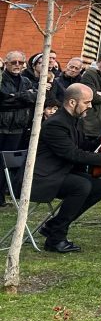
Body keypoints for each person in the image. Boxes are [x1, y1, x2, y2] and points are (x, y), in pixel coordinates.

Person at [30, 82, 101, 253]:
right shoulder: (56, 124)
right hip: (42, 178)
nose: (90, 105)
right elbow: (73, 154)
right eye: (87, 102)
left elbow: (85, 145)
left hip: (60, 173)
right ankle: (55, 238)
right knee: (81, 185)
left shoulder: (72, 120)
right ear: (72, 102)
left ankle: (53, 226)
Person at [0, 50, 37, 206]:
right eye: (13, 62)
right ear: (6, 63)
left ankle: (1, 195)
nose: (17, 65)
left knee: (7, 164)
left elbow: (34, 98)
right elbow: (2, 100)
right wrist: (22, 97)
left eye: (20, 62)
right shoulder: (1, 79)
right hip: (1, 126)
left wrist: (14, 97)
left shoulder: (26, 81)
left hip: (17, 128)